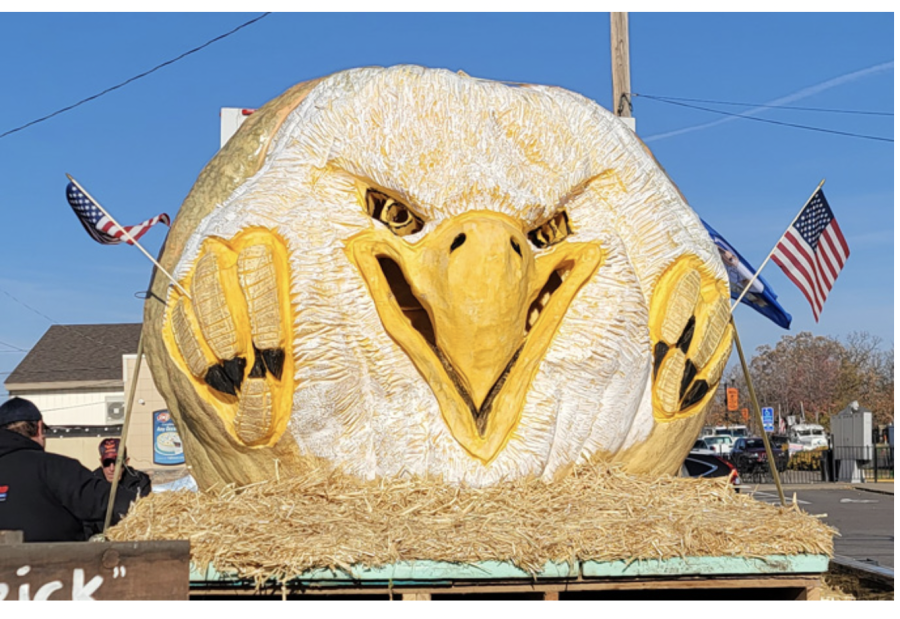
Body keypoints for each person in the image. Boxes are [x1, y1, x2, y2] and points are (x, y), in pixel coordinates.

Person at [0, 397, 137, 542]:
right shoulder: (54, 468)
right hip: (54, 561)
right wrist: (152, 504)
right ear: (39, 428)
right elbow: (107, 500)